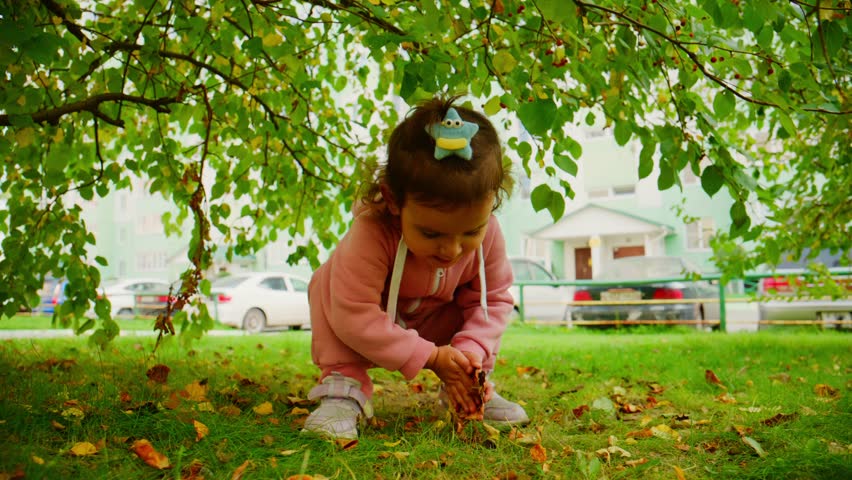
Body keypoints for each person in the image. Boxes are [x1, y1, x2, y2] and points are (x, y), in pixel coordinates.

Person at [303, 96, 529, 439]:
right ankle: (343, 389)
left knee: (476, 318)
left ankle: (469, 388)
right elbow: (353, 312)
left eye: (470, 231)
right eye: (431, 232)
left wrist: (466, 355)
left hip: (433, 316)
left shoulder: (489, 235)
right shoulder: (371, 233)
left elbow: (493, 300)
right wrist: (430, 356)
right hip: (363, 318)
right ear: (393, 201)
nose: (452, 249)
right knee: (327, 285)